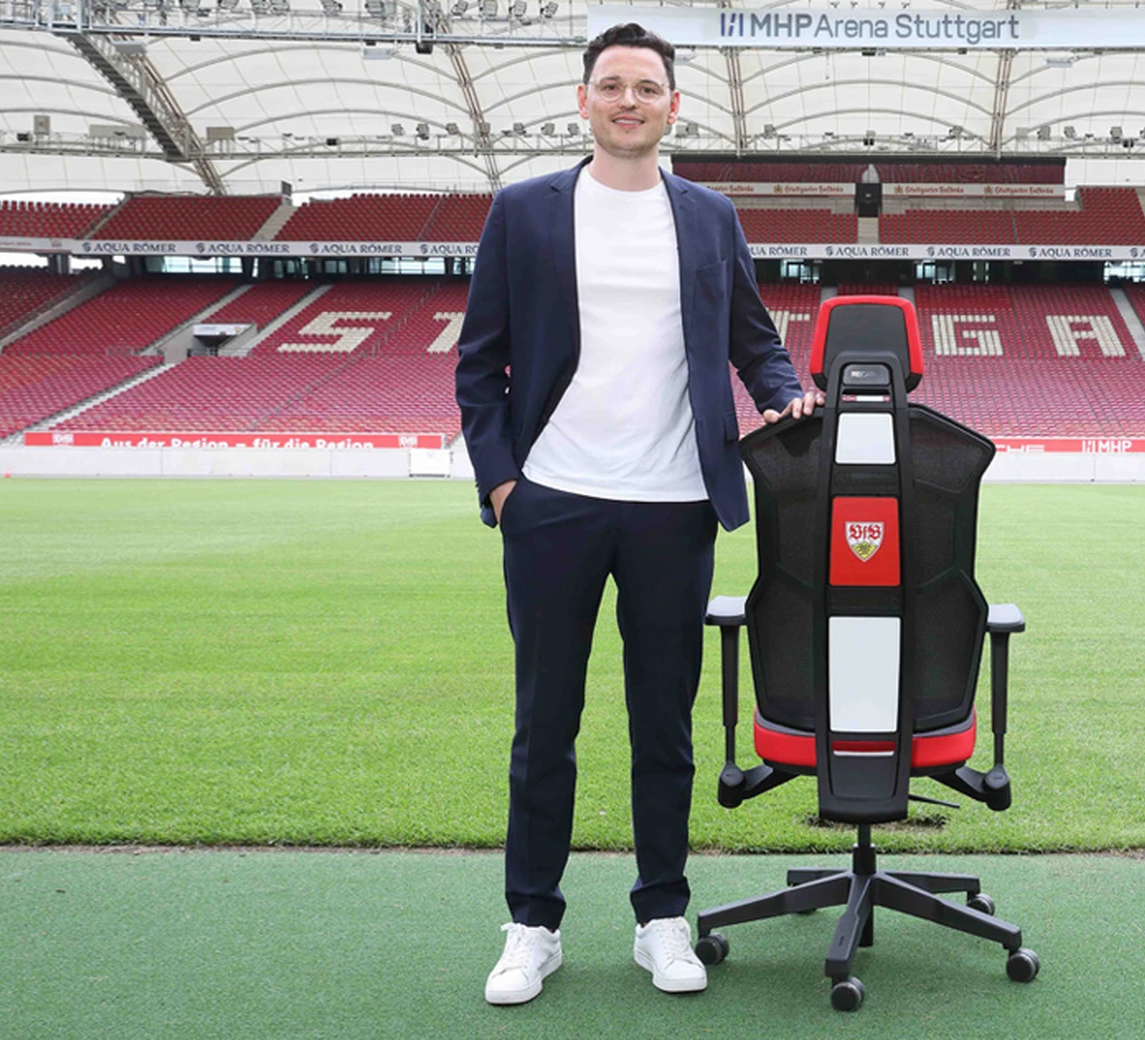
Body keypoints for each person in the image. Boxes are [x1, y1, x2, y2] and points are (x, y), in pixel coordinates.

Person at [453, 21, 824, 1006]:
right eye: (612, 85)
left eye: (647, 87)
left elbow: (753, 336)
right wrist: (504, 487)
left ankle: (662, 916)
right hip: (553, 503)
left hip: (674, 503)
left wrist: (783, 392)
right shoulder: (523, 210)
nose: (629, 101)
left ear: (672, 105)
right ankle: (532, 924)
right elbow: (478, 361)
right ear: (584, 100)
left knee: (664, 726)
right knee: (545, 725)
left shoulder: (709, 215)